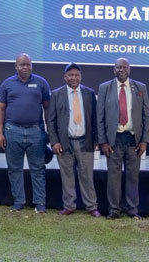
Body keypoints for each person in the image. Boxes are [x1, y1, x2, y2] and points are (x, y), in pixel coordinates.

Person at [0, 53, 51, 213]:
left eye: (28, 64)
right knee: (14, 169)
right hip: (12, 131)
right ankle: (19, 201)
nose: (25, 67)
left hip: (36, 131)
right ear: (16, 66)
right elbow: (1, 109)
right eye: (22, 64)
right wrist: (0, 133)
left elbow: (47, 109)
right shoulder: (7, 84)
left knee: (38, 168)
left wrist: (49, 131)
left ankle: (40, 202)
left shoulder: (41, 83)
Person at [97, 57, 149, 220]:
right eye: (118, 67)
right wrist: (103, 141)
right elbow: (100, 117)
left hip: (134, 139)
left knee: (133, 175)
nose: (122, 70)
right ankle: (114, 209)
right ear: (114, 69)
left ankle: (132, 209)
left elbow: (146, 116)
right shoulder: (105, 87)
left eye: (125, 67)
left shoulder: (140, 88)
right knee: (113, 177)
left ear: (129, 69)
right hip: (114, 140)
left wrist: (144, 141)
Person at [47, 63, 101, 217]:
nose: (73, 78)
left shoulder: (89, 93)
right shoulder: (56, 94)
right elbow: (51, 120)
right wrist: (54, 141)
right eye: (70, 75)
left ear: (80, 77)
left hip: (85, 141)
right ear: (65, 77)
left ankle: (91, 206)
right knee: (67, 176)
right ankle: (69, 206)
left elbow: (95, 118)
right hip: (64, 142)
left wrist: (96, 139)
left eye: (76, 75)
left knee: (87, 176)